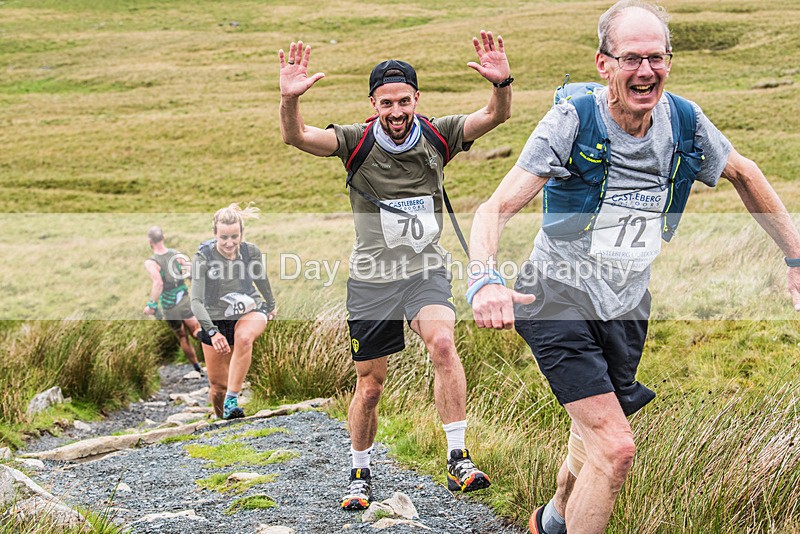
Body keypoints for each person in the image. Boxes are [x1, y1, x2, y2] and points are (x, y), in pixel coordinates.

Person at [467, 2, 800, 533]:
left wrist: (796, 256)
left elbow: (745, 172)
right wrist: (485, 278)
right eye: (631, 59)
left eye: (656, 58)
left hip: (625, 306)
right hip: (555, 297)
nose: (645, 71)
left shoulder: (685, 122)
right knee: (617, 449)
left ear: (668, 60)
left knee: (591, 438)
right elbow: (496, 207)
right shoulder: (572, 121)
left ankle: (550, 522)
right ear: (604, 64)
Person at [278, 31, 513, 509]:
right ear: (374, 104)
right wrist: (289, 99)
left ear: (416, 98)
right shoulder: (355, 141)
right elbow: (296, 136)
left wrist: (501, 82)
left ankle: (457, 458)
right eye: (387, 103)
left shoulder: (437, 134)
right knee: (370, 386)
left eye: (404, 100)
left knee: (444, 344)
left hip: (425, 270)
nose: (397, 111)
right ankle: (360, 473)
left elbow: (496, 115)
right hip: (371, 280)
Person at [190, 204, 277, 420]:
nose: (230, 243)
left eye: (234, 237)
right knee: (217, 387)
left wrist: (270, 304)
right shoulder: (203, 257)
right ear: (215, 234)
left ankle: (232, 399)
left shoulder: (250, 252)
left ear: (241, 234)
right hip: (216, 320)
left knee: (244, 338)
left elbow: (261, 280)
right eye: (224, 237)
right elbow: (196, 301)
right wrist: (212, 331)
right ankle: (222, 416)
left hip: (249, 310)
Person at [143, 226, 204, 375]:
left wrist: (151, 305)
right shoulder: (176, 254)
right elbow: (192, 271)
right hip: (183, 299)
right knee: (196, 329)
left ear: (150, 241)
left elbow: (158, 283)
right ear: (163, 237)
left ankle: (197, 367)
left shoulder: (151, 262)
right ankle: (209, 342)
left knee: (182, 336)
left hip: (169, 305)